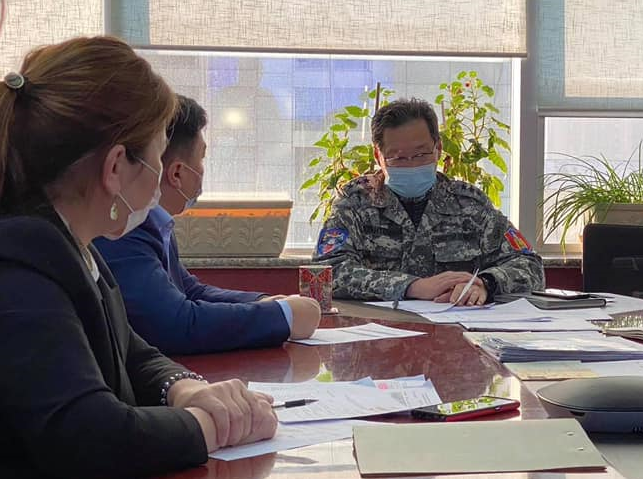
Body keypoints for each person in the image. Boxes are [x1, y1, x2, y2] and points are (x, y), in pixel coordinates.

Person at [0, 36, 277, 478]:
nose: (162, 172)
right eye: (156, 153)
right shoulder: (20, 263)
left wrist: (185, 389)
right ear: (115, 167)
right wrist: (215, 426)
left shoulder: (73, 247)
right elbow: (90, 437)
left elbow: (131, 350)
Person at [94, 95, 321, 355]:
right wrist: (282, 316)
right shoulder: (122, 229)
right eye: (201, 159)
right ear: (175, 173)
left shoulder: (155, 223)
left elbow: (190, 290)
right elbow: (175, 325)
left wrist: (264, 302)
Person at [313, 98, 544, 304]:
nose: (411, 164)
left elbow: (530, 267)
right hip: (377, 331)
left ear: (438, 149)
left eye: (421, 154)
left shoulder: (470, 206)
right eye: (398, 157)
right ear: (378, 156)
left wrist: (484, 283)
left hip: (456, 330)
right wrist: (411, 287)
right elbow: (326, 272)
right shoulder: (354, 205)